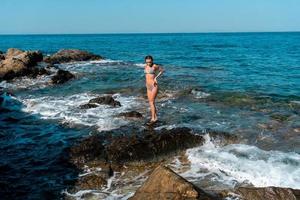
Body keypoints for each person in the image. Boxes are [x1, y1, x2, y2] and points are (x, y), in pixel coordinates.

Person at [144, 55, 164, 124]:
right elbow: (146, 76)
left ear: (152, 61)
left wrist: (156, 78)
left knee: (152, 102)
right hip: (148, 86)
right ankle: (155, 117)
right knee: (150, 102)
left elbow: (162, 70)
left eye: (149, 62)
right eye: (147, 62)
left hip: (154, 85)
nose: (148, 63)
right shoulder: (145, 66)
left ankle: (153, 118)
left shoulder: (155, 66)